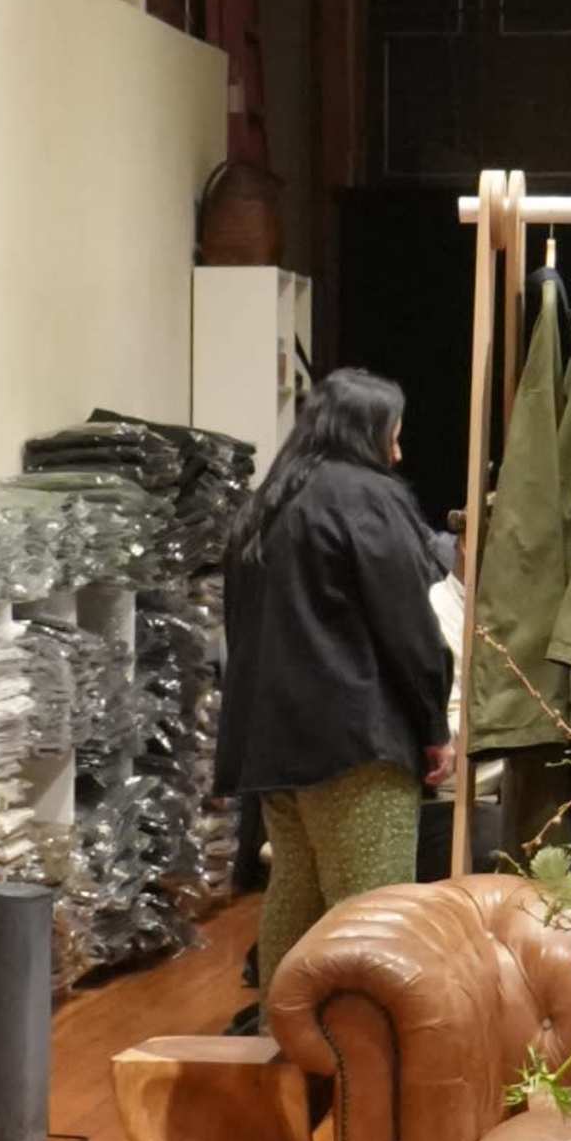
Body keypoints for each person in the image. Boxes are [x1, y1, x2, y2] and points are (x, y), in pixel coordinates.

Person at [215, 367, 456, 990]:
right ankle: (362, 1069)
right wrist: (434, 722)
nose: (398, 452)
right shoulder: (367, 497)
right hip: (354, 740)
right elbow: (407, 626)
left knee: (294, 896)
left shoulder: (268, 501)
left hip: (273, 744)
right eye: (392, 436)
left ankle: (289, 1057)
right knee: (370, 914)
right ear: (366, 432)